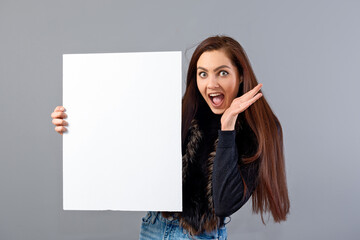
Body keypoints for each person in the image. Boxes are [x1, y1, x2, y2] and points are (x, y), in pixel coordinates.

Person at [51, 35, 290, 239]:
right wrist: (75, 125)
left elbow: (224, 203)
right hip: (154, 227)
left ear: (240, 76)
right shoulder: (183, 112)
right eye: (203, 74)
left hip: (201, 235)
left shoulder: (257, 130)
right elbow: (121, 141)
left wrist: (227, 128)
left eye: (223, 73)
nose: (211, 83)